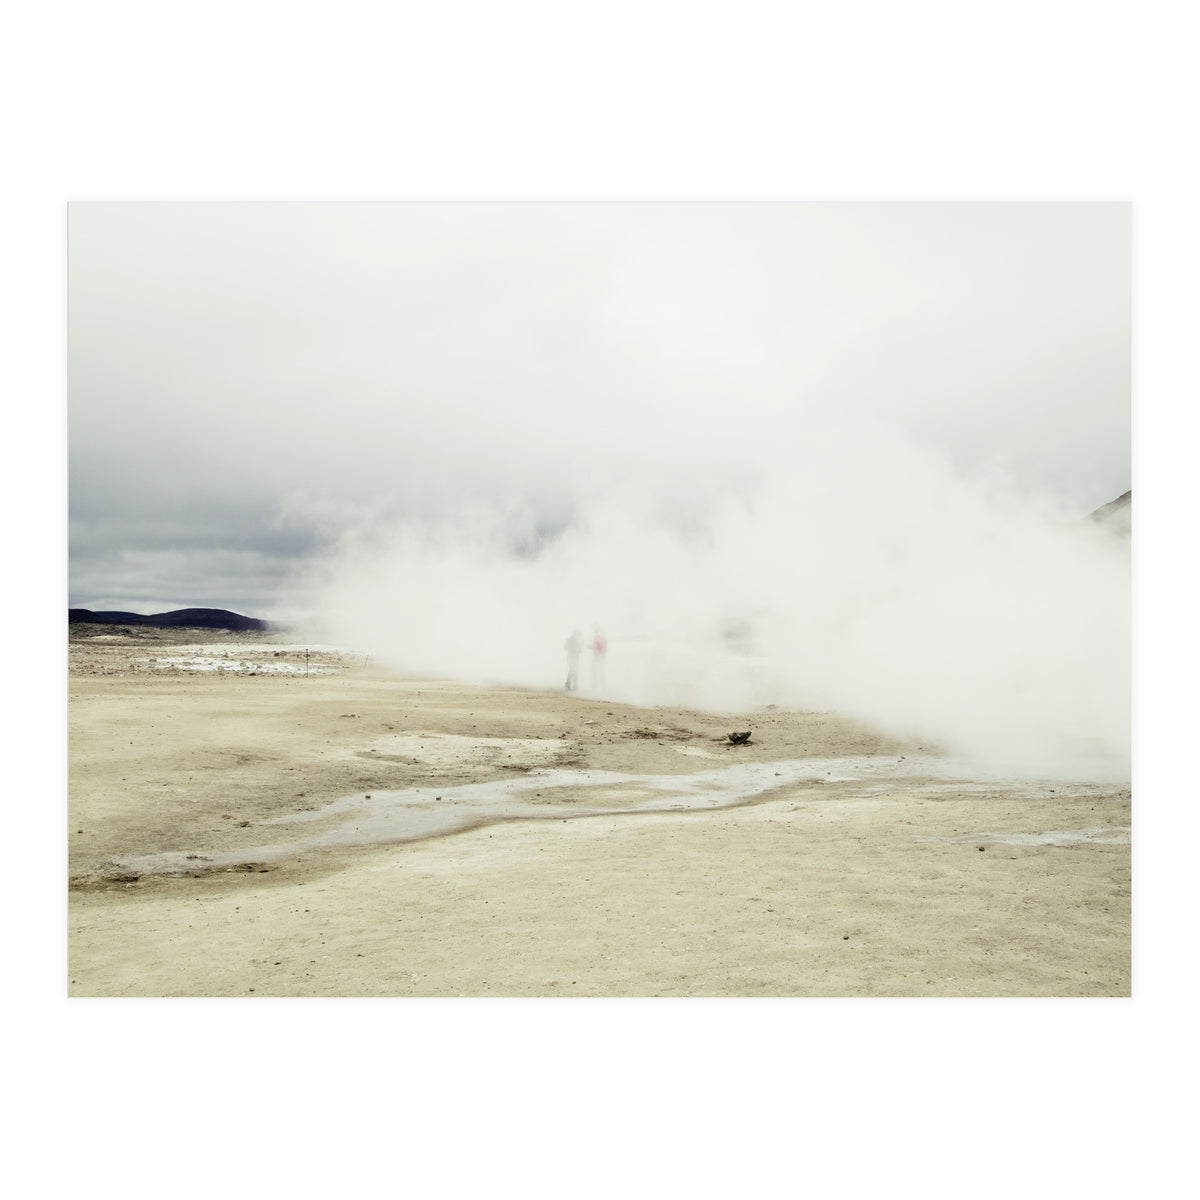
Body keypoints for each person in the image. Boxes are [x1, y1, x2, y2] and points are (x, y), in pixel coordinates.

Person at [590, 624, 607, 695]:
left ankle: (597, 688)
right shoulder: (601, 636)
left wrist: (592, 646)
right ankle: (600, 688)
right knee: (598, 672)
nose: (595, 632)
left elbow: (599, 646)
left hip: (599, 656)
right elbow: (602, 646)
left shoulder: (599, 637)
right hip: (599, 655)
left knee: (596, 672)